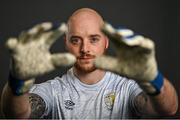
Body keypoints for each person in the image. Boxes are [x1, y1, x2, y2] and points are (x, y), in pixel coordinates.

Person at [1, 8, 178, 119]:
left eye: (94, 39)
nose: (85, 48)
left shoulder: (126, 89)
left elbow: (168, 109)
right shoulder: (54, 90)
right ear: (66, 43)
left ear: (106, 41)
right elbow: (17, 114)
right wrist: (17, 81)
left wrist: (154, 79)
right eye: (76, 40)